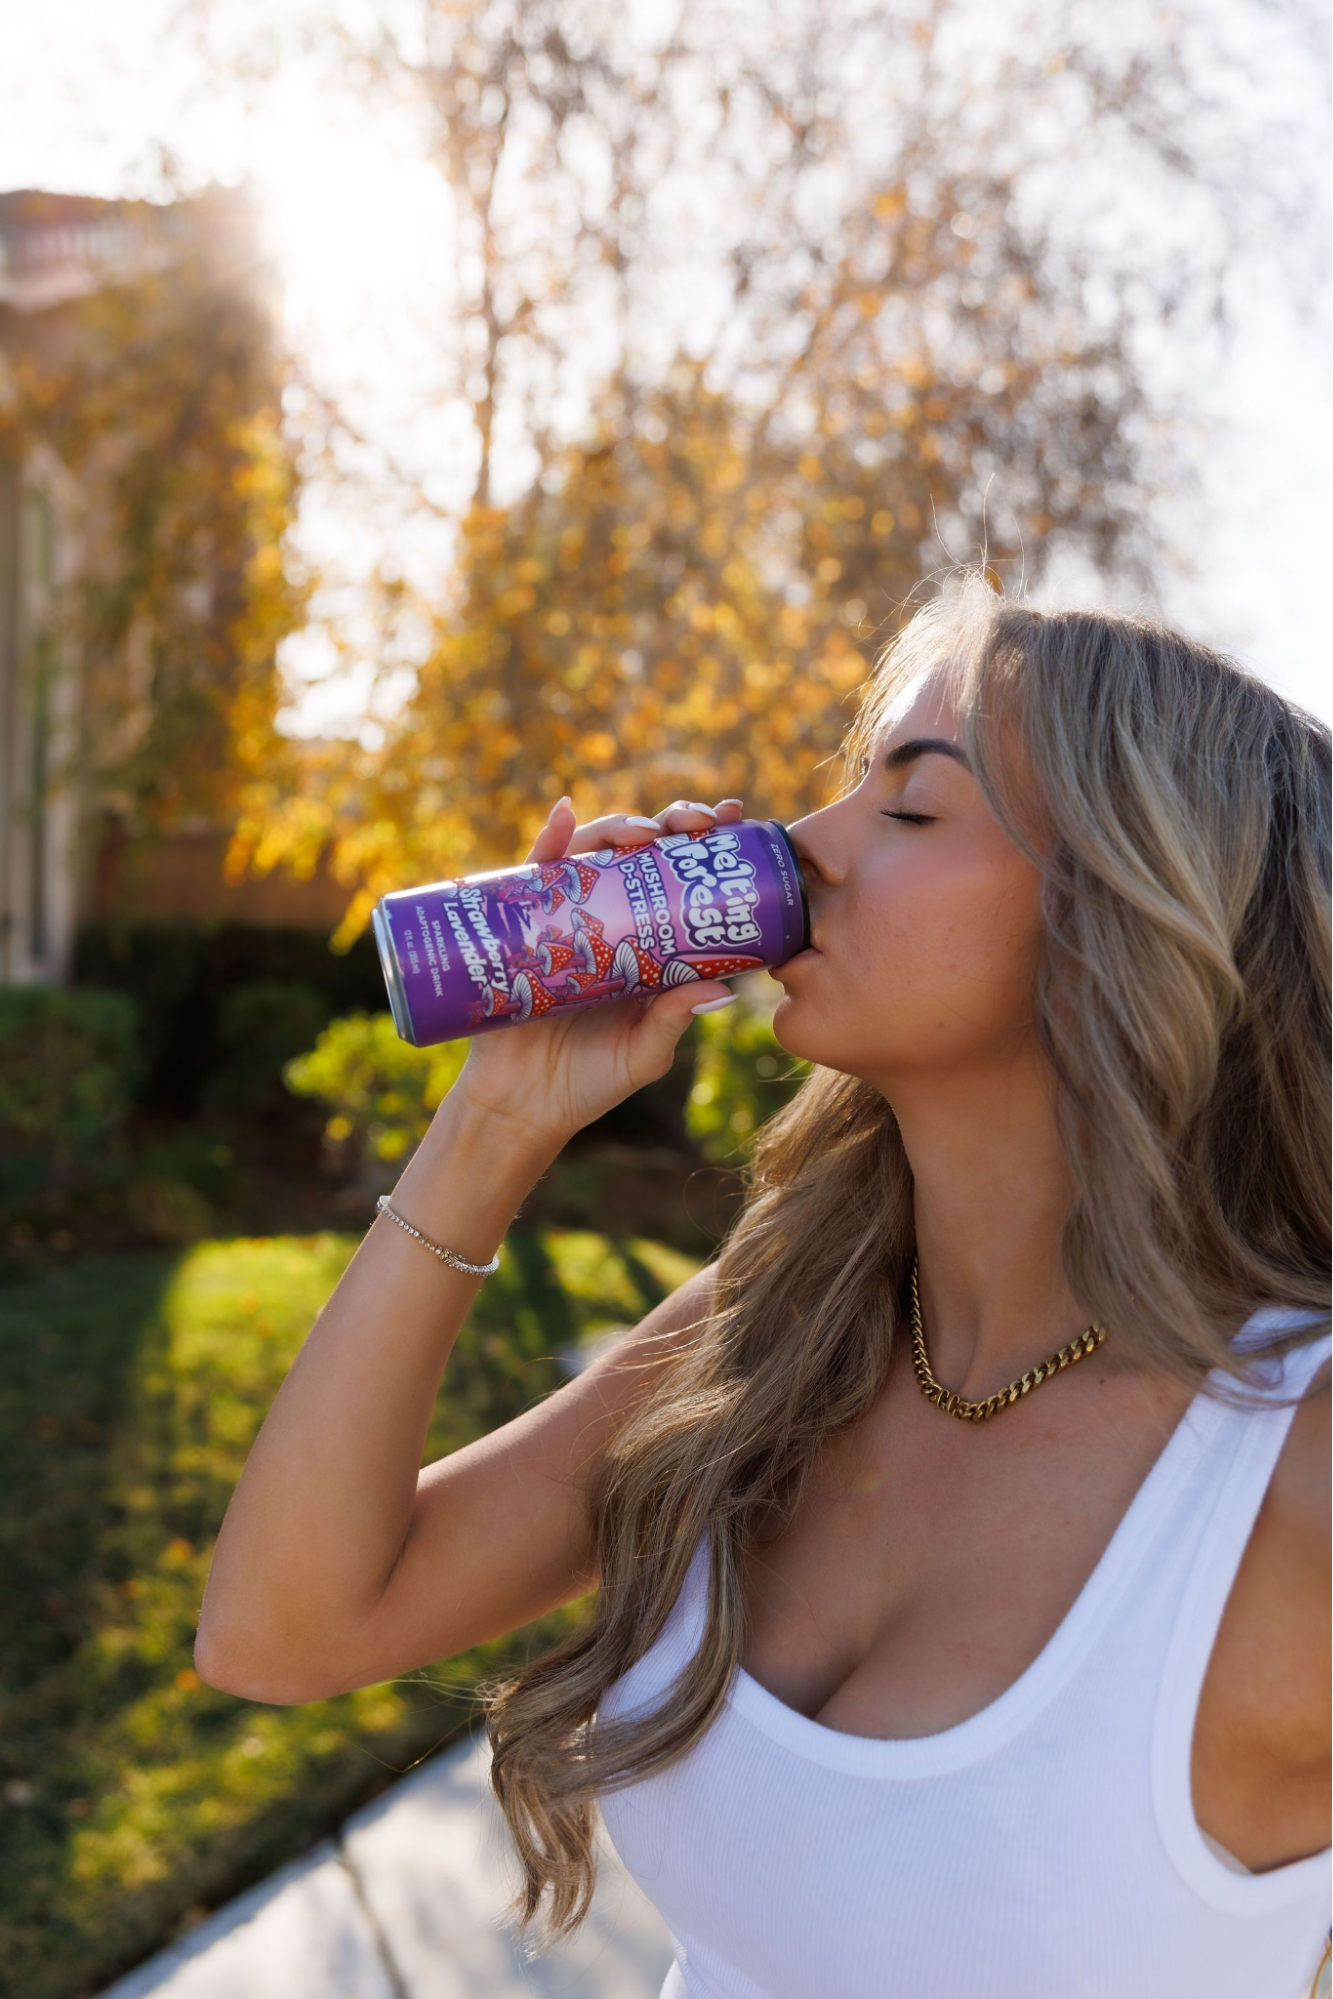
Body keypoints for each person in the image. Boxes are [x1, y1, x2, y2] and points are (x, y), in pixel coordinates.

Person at [195, 578, 1331, 1998]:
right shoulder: (783, 1323)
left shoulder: (1288, 1463)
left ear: (1131, 919)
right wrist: (498, 1124)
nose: (801, 845)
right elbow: (281, 1628)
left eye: (910, 810)